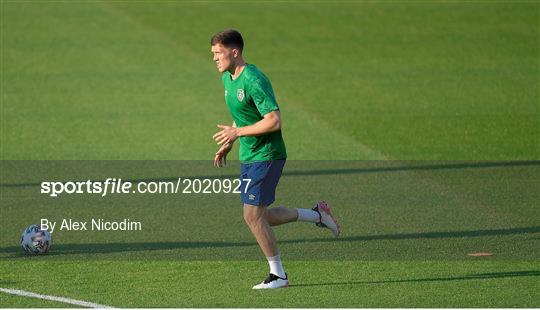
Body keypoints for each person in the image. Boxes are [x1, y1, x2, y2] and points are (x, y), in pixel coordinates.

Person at [210, 29, 340, 289]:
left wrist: (237, 132)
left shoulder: (254, 79)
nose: (214, 58)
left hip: (267, 155)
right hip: (249, 155)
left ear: (234, 52)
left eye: (218, 53)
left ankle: (279, 276)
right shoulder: (228, 78)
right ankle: (317, 215)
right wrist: (232, 139)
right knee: (262, 216)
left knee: (252, 216)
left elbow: (274, 120)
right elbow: (246, 114)